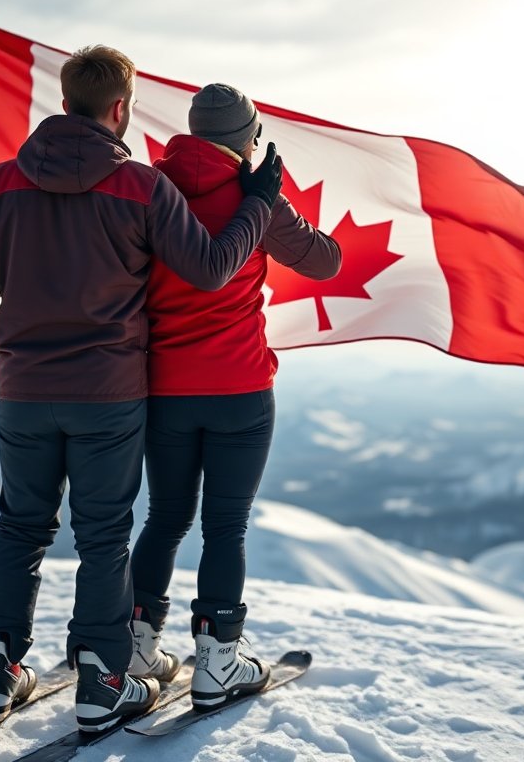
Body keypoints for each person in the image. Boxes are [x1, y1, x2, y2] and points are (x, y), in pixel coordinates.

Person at [0, 49, 284, 732]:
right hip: (108, 393)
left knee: (21, 525)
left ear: (65, 102)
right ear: (120, 108)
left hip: (24, 390)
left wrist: (27, 267)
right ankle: (102, 681)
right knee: (103, 536)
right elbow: (211, 268)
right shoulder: (141, 188)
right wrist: (257, 202)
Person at [127, 83, 341, 710]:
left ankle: (138, 648)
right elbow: (325, 262)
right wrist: (270, 200)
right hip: (240, 389)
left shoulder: (149, 189)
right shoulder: (257, 200)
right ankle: (218, 660)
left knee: (164, 518)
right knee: (226, 526)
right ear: (249, 139)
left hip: (164, 388)